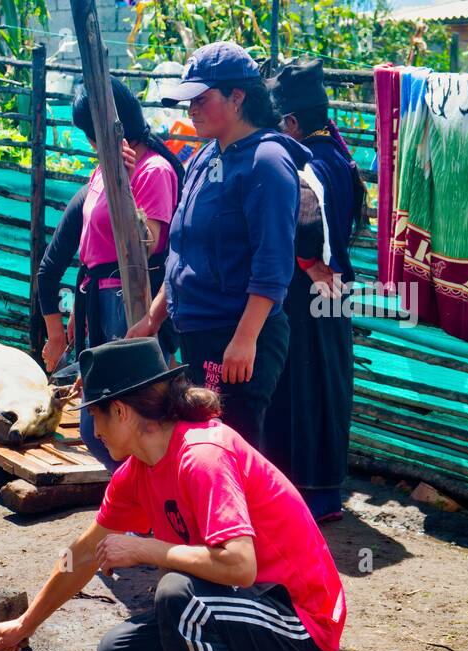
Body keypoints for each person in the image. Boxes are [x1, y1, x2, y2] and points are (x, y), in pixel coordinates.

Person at [0, 338, 346, 651]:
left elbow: (239, 565)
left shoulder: (203, 456)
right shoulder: (138, 470)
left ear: (121, 411)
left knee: (180, 594)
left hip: (303, 625)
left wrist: (147, 549)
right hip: (251, 610)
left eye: (94, 413)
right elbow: (81, 554)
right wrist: (25, 625)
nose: (91, 429)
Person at [132, 42, 309, 452]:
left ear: (237, 97)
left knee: (229, 452)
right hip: (196, 330)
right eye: (188, 101)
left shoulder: (266, 161)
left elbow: (273, 260)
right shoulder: (203, 156)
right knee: (201, 449)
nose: (190, 110)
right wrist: (154, 320)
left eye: (201, 99)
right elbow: (182, 251)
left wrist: (245, 339)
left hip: (236, 335)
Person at [38, 78, 184, 473]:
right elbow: (90, 249)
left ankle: (151, 503)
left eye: (90, 132)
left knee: (135, 420)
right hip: (97, 302)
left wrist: (125, 185)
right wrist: (77, 313)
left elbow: (147, 244)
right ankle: (138, 498)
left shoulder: (153, 170)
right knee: (96, 426)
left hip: (129, 304)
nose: (88, 142)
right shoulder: (102, 170)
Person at [264, 61, 367, 522]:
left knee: (301, 389)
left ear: (290, 123)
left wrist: (305, 262)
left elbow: (306, 221)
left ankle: (303, 499)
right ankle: (323, 495)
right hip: (333, 295)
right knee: (327, 388)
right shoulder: (337, 155)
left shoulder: (306, 161)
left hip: (308, 296)